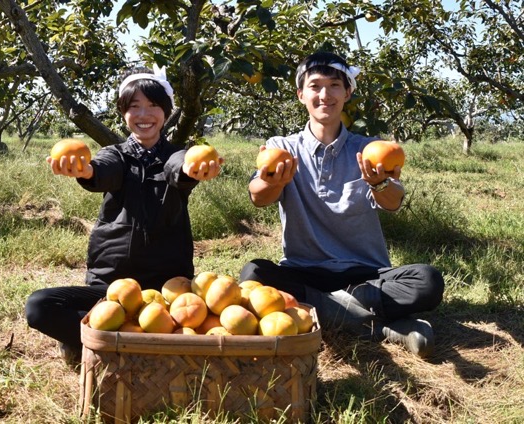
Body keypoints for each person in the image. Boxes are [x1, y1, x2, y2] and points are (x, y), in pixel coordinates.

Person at [239, 51, 444, 358]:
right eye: (315, 86)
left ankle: (329, 310)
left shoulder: (370, 149)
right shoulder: (282, 148)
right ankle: (382, 326)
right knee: (253, 275)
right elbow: (258, 196)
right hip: (304, 270)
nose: (325, 95)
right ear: (301, 94)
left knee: (428, 281)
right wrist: (274, 182)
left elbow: (394, 202)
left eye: (334, 85)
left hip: (365, 275)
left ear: (347, 92)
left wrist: (380, 184)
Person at [25, 64, 221, 363]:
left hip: (167, 289)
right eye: (135, 107)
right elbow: (104, 171)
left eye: (153, 106)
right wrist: (86, 170)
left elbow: (178, 169)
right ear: (123, 113)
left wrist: (190, 168)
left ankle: (105, 343)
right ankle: (102, 339)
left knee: (190, 325)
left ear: (166, 113)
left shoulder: (179, 154)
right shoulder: (114, 154)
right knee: (40, 306)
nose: (144, 115)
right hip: (111, 285)